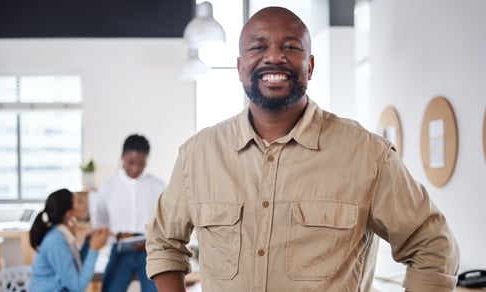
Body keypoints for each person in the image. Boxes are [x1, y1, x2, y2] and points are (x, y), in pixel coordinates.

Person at [145, 6, 459, 292]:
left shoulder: (366, 154)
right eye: (258, 46)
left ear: (309, 66)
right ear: (240, 68)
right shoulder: (198, 155)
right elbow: (163, 241)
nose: (273, 57)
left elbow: (432, 245)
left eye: (290, 47)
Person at [93, 134, 165, 292]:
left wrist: (151, 239)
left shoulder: (158, 186)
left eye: (141, 164)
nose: (135, 168)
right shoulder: (109, 187)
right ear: (122, 157)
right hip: (120, 251)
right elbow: (100, 224)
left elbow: (166, 223)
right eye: (130, 163)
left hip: (149, 252)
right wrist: (117, 236)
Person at [30, 188, 111, 292]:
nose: (84, 203)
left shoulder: (61, 234)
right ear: (69, 213)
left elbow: (73, 267)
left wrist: (87, 244)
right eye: (79, 202)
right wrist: (93, 249)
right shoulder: (56, 241)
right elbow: (77, 287)